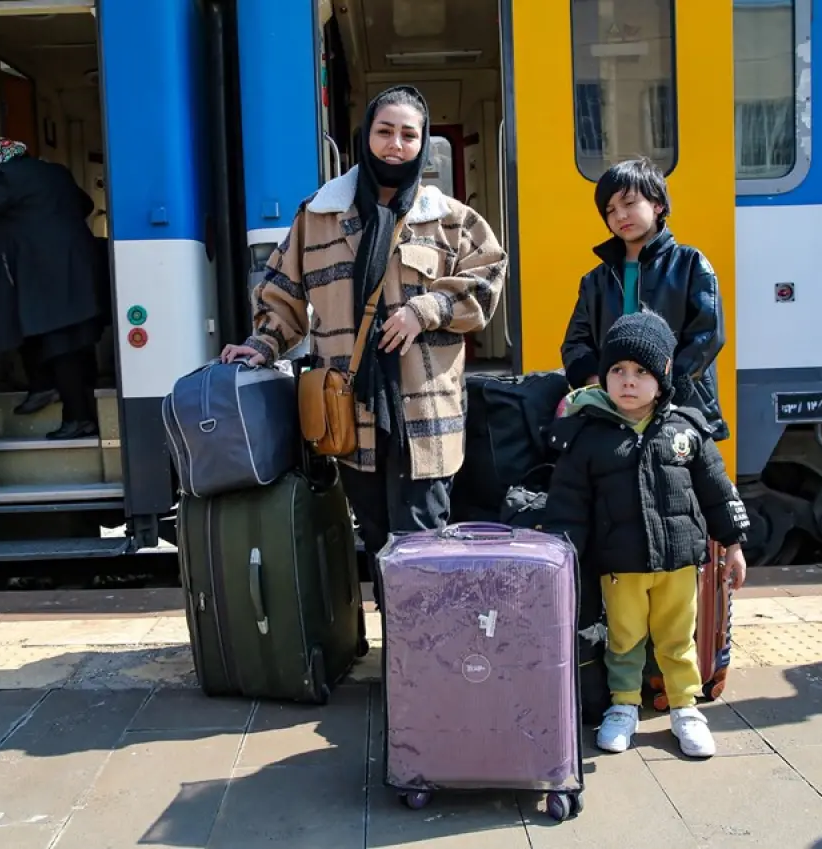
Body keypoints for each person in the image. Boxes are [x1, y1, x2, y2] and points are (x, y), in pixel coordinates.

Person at [219, 86, 506, 603]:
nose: (396, 144)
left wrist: (428, 309)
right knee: (376, 537)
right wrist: (262, 345)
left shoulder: (452, 220)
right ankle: (398, 654)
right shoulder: (319, 214)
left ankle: (423, 665)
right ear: (366, 135)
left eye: (409, 134)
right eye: (385, 131)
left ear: (423, 143)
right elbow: (283, 292)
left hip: (426, 414)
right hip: (352, 411)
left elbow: (487, 280)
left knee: (422, 539)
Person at [543, 310, 750, 758]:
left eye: (641, 371)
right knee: (624, 639)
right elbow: (568, 505)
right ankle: (623, 705)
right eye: (617, 370)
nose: (628, 381)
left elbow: (716, 490)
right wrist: (562, 558)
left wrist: (733, 544)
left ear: (663, 376)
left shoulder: (687, 430)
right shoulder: (586, 436)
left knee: (678, 638)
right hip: (620, 566)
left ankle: (685, 707)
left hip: (679, 563)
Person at [0, 137, 109, 439]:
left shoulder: (5, 176)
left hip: (48, 278)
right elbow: (85, 204)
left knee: (60, 347)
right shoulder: (55, 172)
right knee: (69, 344)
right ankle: (45, 388)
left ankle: (78, 418)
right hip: (77, 272)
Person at [560, 157, 728, 441]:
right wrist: (602, 386)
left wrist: (664, 388)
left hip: (680, 409)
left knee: (679, 483)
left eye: (629, 203)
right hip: (615, 412)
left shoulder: (690, 264)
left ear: (658, 205)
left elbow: (706, 337)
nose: (620, 216)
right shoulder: (595, 280)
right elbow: (575, 343)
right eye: (610, 210)